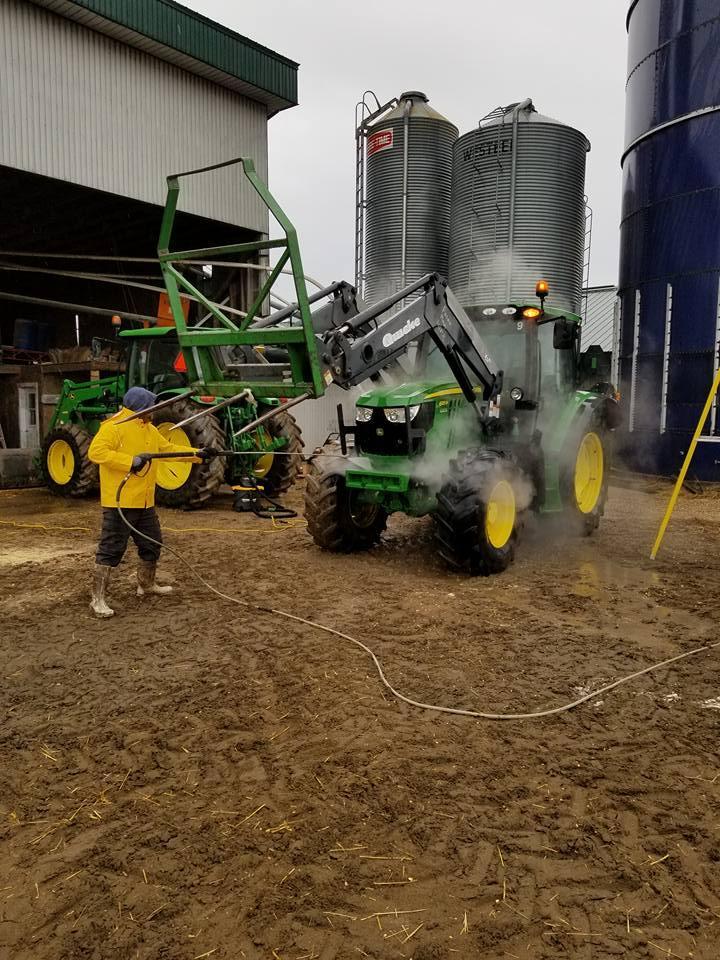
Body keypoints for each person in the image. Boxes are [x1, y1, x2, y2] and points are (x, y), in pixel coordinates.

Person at [87, 387, 214, 618]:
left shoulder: (150, 429)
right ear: (140, 408)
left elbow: (169, 450)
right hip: (120, 503)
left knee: (152, 543)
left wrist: (198, 453)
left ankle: (146, 584)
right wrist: (130, 461)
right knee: (111, 549)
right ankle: (97, 600)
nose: (154, 411)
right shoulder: (113, 427)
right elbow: (96, 452)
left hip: (145, 502)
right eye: (151, 407)